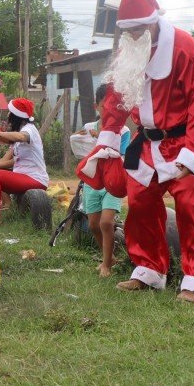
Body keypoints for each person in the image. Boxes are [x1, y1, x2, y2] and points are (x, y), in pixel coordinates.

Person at [76, 0, 194, 305]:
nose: (133, 34)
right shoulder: (130, 50)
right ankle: (149, 270)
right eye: (128, 30)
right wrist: (108, 139)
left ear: (153, 22)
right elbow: (116, 99)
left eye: (138, 28)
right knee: (140, 204)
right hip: (147, 143)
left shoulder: (184, 47)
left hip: (185, 140)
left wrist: (192, 153)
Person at [73, 84, 130, 277]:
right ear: (97, 106)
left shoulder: (123, 131)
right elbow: (77, 146)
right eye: (106, 106)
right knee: (93, 225)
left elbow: (120, 154)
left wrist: (102, 141)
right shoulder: (88, 128)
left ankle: (106, 264)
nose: (111, 111)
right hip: (93, 181)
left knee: (106, 222)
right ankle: (110, 256)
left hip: (112, 180)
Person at [0, 98, 49, 227]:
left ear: (17, 116)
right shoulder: (22, 130)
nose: (9, 116)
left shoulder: (29, 130)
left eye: (11, 113)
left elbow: (22, 137)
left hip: (35, 179)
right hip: (23, 176)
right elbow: (14, 158)